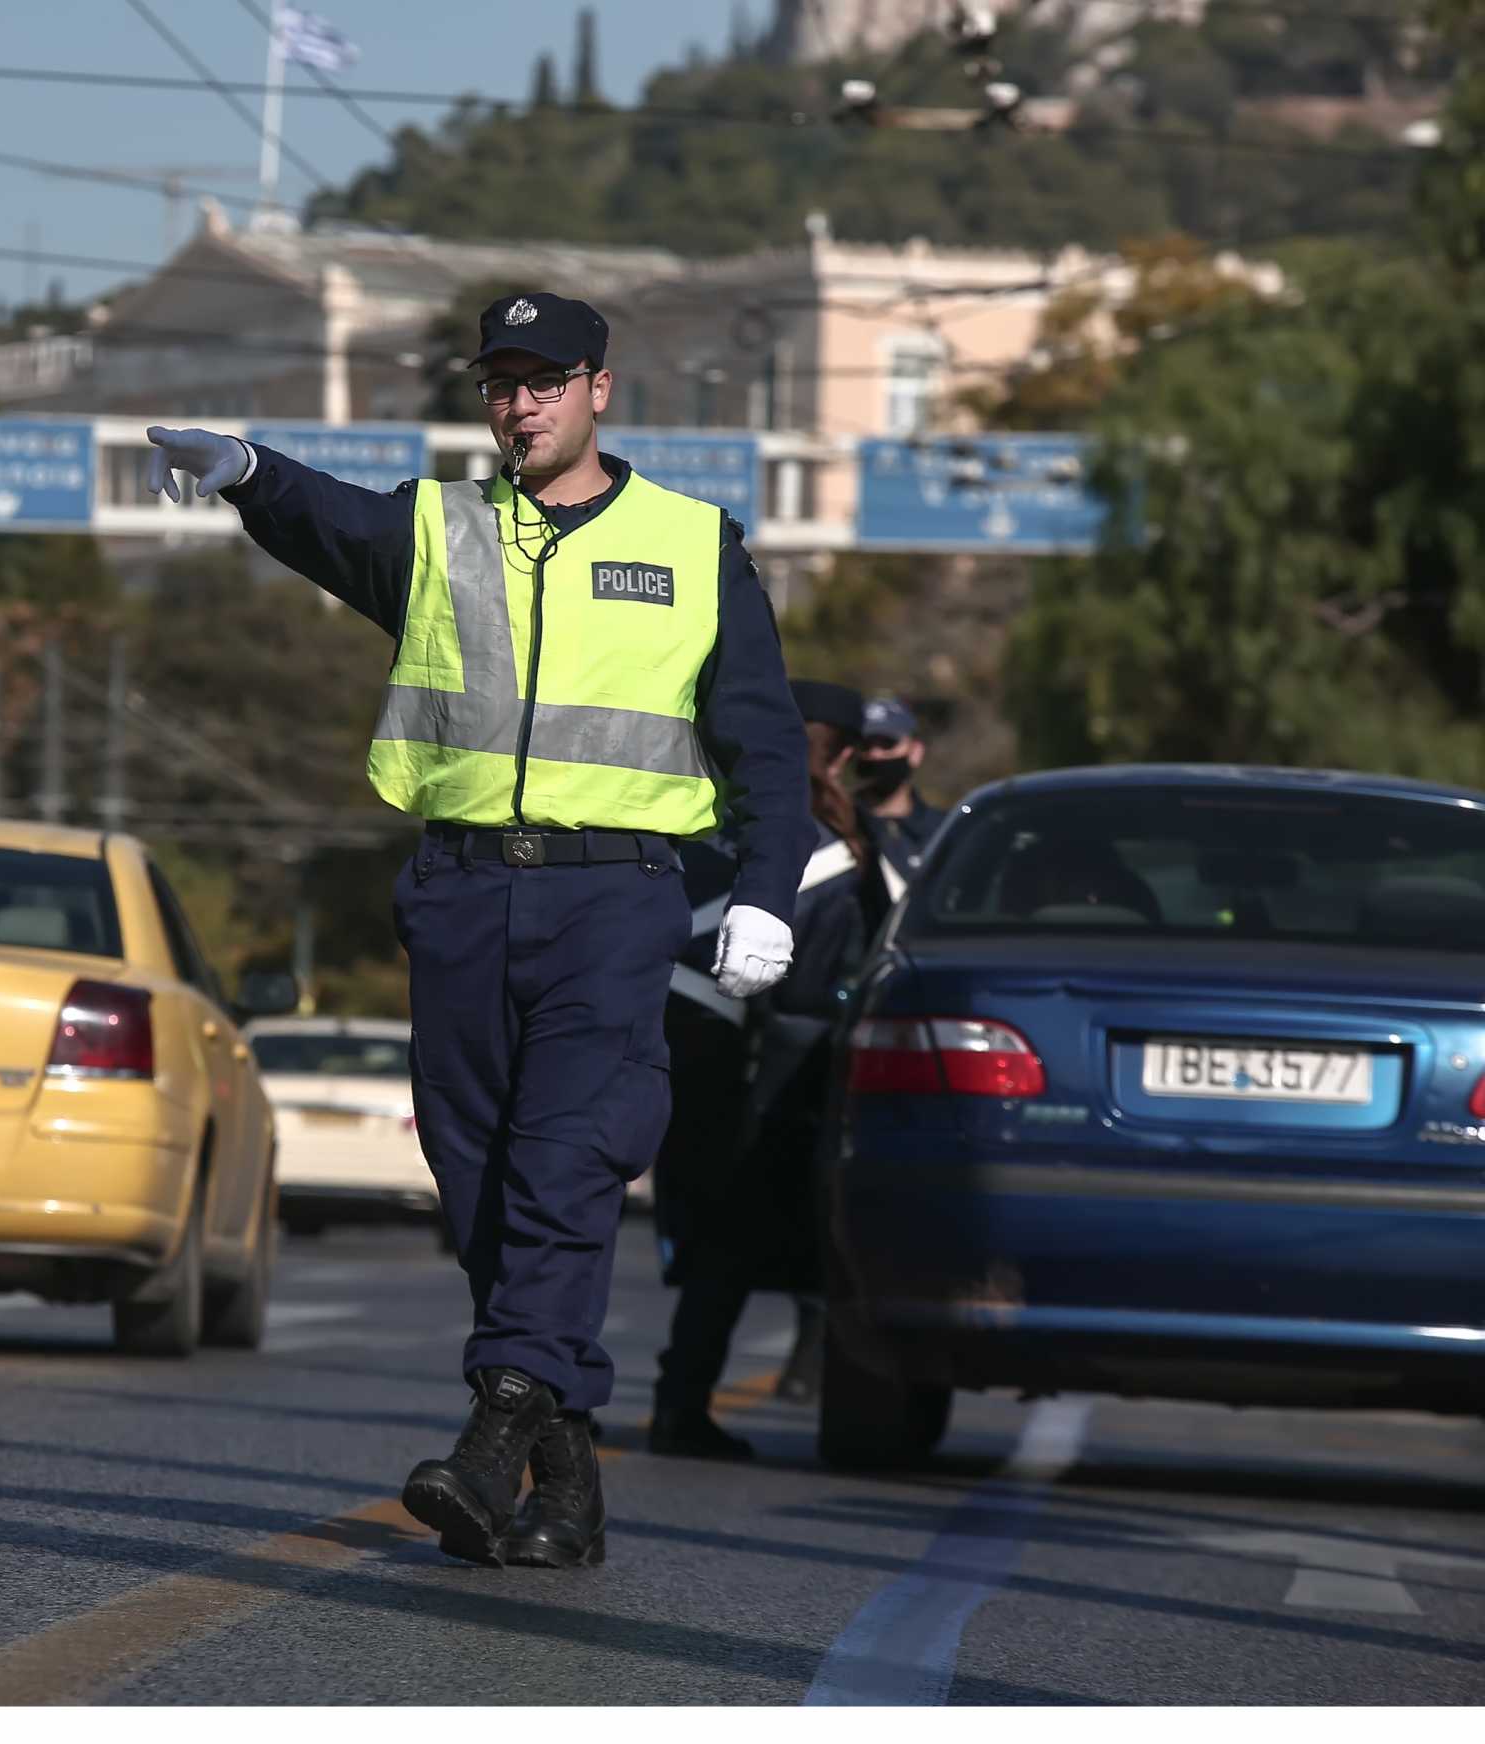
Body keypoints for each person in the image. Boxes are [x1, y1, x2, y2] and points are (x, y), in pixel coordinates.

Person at [145, 291, 813, 1569]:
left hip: (614, 898)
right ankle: (568, 1483)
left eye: (544, 381)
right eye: (499, 383)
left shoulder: (693, 543)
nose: (519, 404)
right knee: (481, 1184)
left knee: (565, 1161)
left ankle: (493, 1432)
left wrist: (769, 894)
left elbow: (764, 742)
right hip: (456, 895)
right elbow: (325, 518)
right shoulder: (442, 528)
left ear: (598, 389)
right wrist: (242, 469)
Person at [651, 679, 886, 1460]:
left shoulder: (696, 805)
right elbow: (814, 989)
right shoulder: (826, 851)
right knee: (727, 1239)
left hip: (629, 1010)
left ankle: (552, 1398)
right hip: (728, 1051)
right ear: (846, 753)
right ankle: (680, 1406)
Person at [858, 694, 947, 884]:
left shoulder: (942, 831)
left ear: (915, 752)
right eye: (866, 745)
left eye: (888, 744)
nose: (875, 755)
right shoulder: (840, 826)